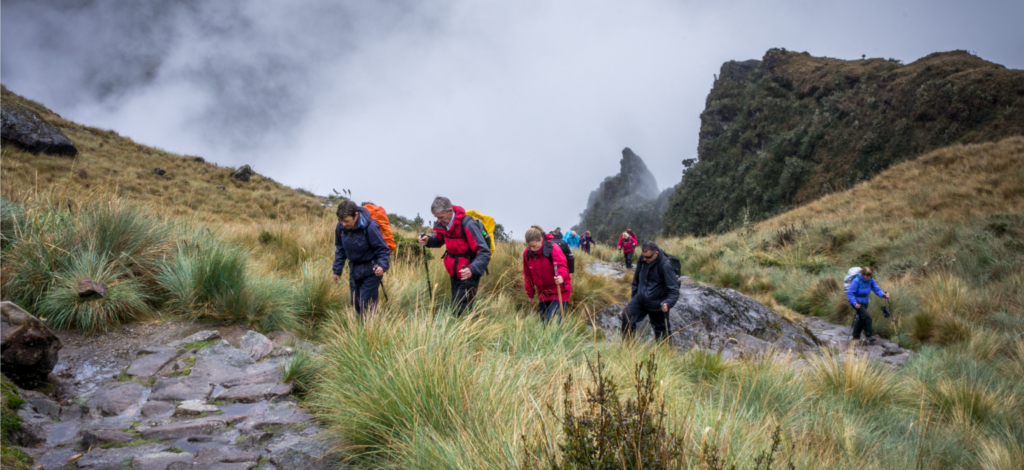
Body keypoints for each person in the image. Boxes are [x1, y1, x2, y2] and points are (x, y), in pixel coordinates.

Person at [418, 197, 492, 317]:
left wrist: (471, 269)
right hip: (454, 272)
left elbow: (484, 251)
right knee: (459, 305)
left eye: (441, 217)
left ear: (450, 211)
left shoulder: (468, 224)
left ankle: (469, 325)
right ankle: (472, 323)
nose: (438, 220)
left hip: (468, 272)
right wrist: (428, 240)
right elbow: (439, 240)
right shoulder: (444, 224)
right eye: (436, 217)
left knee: (460, 308)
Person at [332, 201, 391, 315]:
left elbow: (383, 249)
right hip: (354, 269)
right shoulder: (341, 227)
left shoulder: (370, 227)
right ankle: (374, 322)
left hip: (371, 270)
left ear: (356, 215)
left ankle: (373, 325)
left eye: (346, 221)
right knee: (355, 303)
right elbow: (340, 248)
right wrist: (337, 269)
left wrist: (381, 266)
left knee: (366, 305)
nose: (343, 224)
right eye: (341, 220)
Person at [623, 241, 680, 341]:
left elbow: (674, 290)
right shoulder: (642, 259)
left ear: (656, 253)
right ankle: (628, 346)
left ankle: (664, 350)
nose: (644, 259)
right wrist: (635, 295)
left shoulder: (665, 265)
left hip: (658, 303)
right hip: (641, 299)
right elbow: (636, 279)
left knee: (662, 332)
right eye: (643, 256)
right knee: (627, 317)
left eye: (648, 257)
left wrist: (668, 303)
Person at [523, 226, 571, 323]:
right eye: (530, 246)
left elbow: (563, 266)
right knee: (544, 322)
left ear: (541, 240)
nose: (532, 249)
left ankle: (561, 332)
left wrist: (561, 276)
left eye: (535, 246)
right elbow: (527, 275)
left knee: (553, 322)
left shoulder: (553, 249)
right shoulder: (527, 253)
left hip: (559, 291)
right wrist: (530, 294)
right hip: (543, 294)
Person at [846, 266, 889, 344]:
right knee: (867, 317)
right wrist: (854, 303)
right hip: (857, 302)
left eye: (870, 276)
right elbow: (850, 293)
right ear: (862, 275)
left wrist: (883, 295)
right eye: (867, 276)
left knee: (861, 318)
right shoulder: (856, 281)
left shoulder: (871, 280)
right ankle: (868, 335)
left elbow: (876, 289)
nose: (868, 278)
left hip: (865, 302)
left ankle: (856, 336)